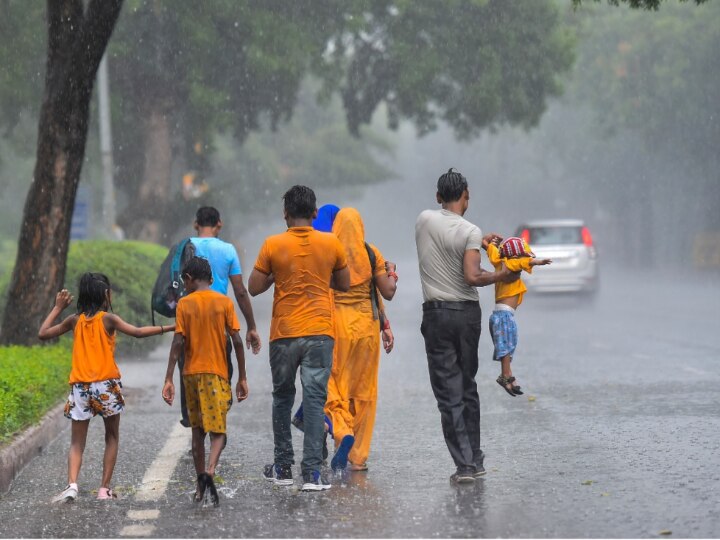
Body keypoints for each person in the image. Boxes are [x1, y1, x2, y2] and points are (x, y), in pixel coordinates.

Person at [415, 168, 519, 485]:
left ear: (437, 197)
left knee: (449, 393)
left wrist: (476, 241)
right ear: (466, 197)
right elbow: (473, 277)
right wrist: (502, 275)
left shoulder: (423, 220)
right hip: (466, 316)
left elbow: (449, 244)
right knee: (467, 385)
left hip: (436, 314)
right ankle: (475, 457)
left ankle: (465, 466)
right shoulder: (471, 231)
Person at [38, 273, 174, 503]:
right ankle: (104, 490)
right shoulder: (108, 319)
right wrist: (170, 327)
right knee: (111, 437)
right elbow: (138, 332)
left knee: (76, 442)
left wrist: (57, 307)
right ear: (105, 295)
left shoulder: (74, 320)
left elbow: (43, 334)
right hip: (106, 386)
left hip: (80, 387)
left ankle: (72, 485)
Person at [248, 185, 350, 492]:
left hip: (284, 334)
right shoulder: (331, 243)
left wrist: (280, 272)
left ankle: (282, 467)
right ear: (316, 213)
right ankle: (312, 474)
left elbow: (254, 287)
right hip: (320, 332)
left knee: (282, 398)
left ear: (285, 215)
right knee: (315, 400)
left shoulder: (273, 244)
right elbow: (343, 284)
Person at [162, 257, 248, 507]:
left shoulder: (184, 304)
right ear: (210, 280)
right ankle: (210, 470)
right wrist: (242, 377)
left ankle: (200, 486)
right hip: (216, 374)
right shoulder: (224, 302)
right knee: (218, 431)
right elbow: (238, 342)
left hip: (190, 375)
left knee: (197, 431)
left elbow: (178, 342)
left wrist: (169, 377)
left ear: (188, 279)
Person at [324, 207, 397, 473]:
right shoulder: (370, 252)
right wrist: (392, 273)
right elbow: (384, 292)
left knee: (333, 384)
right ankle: (357, 458)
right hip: (367, 328)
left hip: (337, 327)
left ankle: (342, 432)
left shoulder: (329, 250)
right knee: (363, 391)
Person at [177, 206, 261, 428]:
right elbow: (240, 291)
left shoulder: (186, 246)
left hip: (190, 323)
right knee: (222, 371)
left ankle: (191, 417)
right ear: (219, 224)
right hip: (218, 325)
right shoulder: (228, 250)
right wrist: (251, 325)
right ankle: (218, 413)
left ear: (196, 224)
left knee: (188, 368)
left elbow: (176, 284)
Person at [483, 236, 551, 396]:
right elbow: (526, 262)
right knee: (506, 347)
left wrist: (486, 244)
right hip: (504, 315)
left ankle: (508, 376)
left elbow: (491, 251)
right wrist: (539, 262)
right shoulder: (513, 263)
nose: (527, 257)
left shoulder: (499, 261)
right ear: (515, 256)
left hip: (500, 315)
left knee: (507, 346)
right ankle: (505, 376)